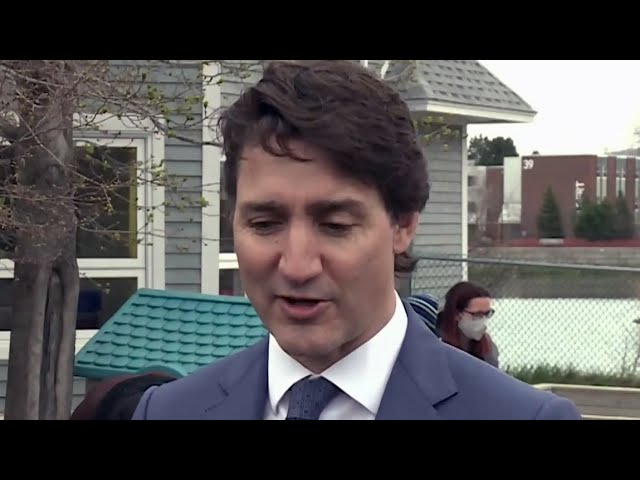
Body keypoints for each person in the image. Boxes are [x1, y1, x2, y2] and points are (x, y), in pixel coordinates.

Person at [132, 60, 581, 420]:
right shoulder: (168, 410)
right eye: (265, 224)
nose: (297, 266)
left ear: (403, 225)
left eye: (335, 225)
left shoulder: (522, 415)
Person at [437, 281, 500, 368]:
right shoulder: (435, 342)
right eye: (477, 314)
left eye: (487, 313)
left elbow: (492, 374)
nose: (483, 320)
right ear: (456, 314)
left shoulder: (487, 346)